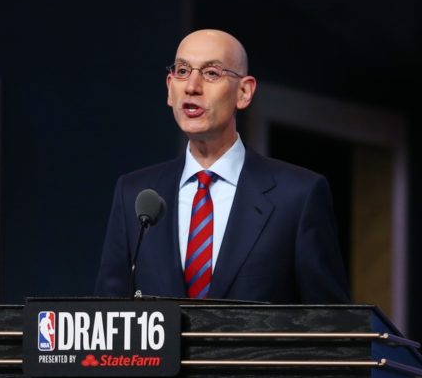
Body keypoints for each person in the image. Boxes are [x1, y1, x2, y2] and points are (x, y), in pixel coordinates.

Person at [94, 29, 351, 304]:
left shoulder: (298, 196)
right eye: (182, 71)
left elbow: (330, 320)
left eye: (211, 73)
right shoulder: (134, 194)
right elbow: (107, 316)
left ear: (244, 92)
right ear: (169, 88)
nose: (192, 86)